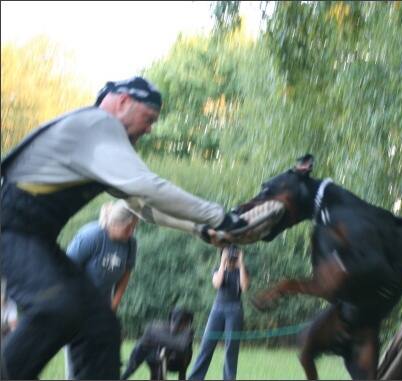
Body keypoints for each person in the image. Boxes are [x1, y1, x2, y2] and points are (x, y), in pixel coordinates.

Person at [0, 76, 247, 380]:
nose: (150, 128)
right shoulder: (99, 125)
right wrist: (219, 216)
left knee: (100, 325)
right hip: (8, 228)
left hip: (33, 236)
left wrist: (199, 228)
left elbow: (143, 206)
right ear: (123, 102)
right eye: (149, 118)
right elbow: (149, 187)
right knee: (58, 307)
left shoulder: (100, 144)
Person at [64, 199, 139, 379]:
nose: (131, 233)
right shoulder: (91, 237)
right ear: (113, 224)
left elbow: (126, 272)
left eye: (133, 228)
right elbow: (65, 271)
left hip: (103, 306)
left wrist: (114, 304)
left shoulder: (130, 243)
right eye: (127, 228)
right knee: (79, 362)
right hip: (76, 304)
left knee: (103, 358)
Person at [187, 245, 250, 380]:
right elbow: (217, 283)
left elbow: (244, 287)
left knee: (231, 349)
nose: (231, 258)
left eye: (233, 255)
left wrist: (241, 264)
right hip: (217, 310)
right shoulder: (217, 269)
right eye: (228, 255)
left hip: (235, 310)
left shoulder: (241, 271)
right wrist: (223, 263)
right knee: (206, 346)